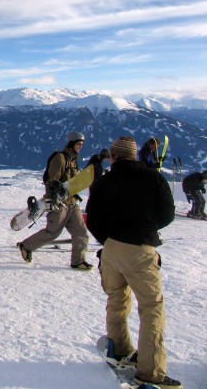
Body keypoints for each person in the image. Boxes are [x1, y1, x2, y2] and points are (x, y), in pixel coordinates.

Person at [86, 136, 180, 389]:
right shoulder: (153, 178)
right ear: (135, 155)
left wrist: (109, 238)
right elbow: (167, 214)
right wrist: (146, 229)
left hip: (112, 248)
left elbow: (91, 218)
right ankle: (151, 372)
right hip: (140, 247)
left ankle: (119, 349)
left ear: (114, 157)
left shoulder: (104, 181)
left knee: (116, 298)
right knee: (151, 309)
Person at [17, 131, 92, 269]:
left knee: (81, 232)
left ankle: (78, 261)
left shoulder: (74, 160)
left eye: (82, 144)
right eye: (78, 144)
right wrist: (56, 188)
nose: (80, 147)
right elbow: (52, 179)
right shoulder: (60, 158)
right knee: (52, 232)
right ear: (71, 144)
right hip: (60, 203)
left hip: (72, 203)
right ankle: (26, 246)